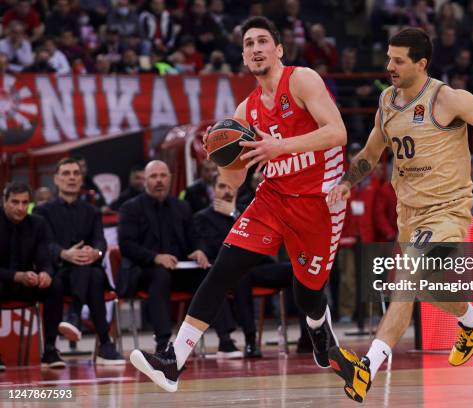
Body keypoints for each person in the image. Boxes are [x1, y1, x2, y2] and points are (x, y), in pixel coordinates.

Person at [325, 27, 473, 403]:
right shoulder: (386, 100)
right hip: (409, 213)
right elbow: (369, 154)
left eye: (398, 60)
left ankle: (367, 366)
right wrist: (347, 181)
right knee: (427, 287)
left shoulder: (448, 99)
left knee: (407, 277)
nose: (389, 66)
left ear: (421, 63)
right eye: (388, 58)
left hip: (446, 210)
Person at [129, 16, 347, 392]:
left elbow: (337, 132)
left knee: (308, 292)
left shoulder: (302, 79)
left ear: (278, 50)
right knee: (224, 268)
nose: (256, 48)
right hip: (274, 197)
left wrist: (280, 146)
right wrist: (220, 163)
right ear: (244, 57)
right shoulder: (244, 112)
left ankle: (318, 326)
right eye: (249, 44)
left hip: (319, 200)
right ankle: (173, 362)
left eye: (263, 41)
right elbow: (235, 178)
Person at [118, 160, 241, 357]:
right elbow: (126, 245)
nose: (159, 180)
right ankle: (163, 342)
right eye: (153, 176)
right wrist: (155, 257)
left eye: (163, 175)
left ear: (170, 179)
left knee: (209, 275)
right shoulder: (130, 208)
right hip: (144, 270)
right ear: (145, 181)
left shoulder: (182, 206)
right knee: (160, 276)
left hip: (180, 269)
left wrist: (199, 250)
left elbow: (194, 236)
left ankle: (225, 340)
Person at [193, 173, 312, 357]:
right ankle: (250, 341)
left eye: (230, 187)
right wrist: (232, 216)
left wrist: (234, 213)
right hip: (230, 271)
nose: (227, 191)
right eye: (222, 187)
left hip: (260, 265)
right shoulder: (202, 217)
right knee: (242, 276)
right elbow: (218, 247)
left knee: (300, 270)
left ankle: (308, 336)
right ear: (212, 190)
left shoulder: (246, 209)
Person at [34, 158, 124, 365]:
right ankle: (104, 344)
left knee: (92, 273)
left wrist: (96, 253)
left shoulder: (92, 211)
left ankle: (69, 323)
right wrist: (64, 254)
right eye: (66, 173)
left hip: (87, 268)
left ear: (81, 179)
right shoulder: (43, 211)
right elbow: (44, 244)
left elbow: (100, 241)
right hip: (58, 271)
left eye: (75, 173)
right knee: (83, 277)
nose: (71, 177)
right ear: (56, 179)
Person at [0, 182, 68, 369]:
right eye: (15, 202)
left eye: (25, 203)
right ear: (4, 201)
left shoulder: (37, 223)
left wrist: (45, 273)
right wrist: (16, 276)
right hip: (4, 281)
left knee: (55, 285)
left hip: (26, 284)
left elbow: (45, 257)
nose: (21, 208)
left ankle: (50, 349)